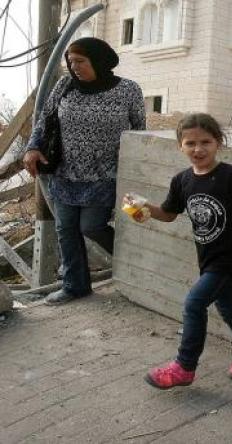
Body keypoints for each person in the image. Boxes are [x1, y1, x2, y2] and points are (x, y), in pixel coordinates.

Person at [128, 113, 232, 390]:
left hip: (230, 256)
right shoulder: (182, 180)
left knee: (194, 304)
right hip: (207, 257)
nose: (198, 149)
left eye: (206, 142)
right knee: (228, 306)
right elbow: (168, 214)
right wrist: (144, 209)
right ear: (180, 146)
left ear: (218, 142)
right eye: (190, 143)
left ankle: (184, 367)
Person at [22, 37, 146, 304]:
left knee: (91, 227)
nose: (74, 66)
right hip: (65, 173)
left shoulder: (128, 90)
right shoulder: (64, 86)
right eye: (70, 61)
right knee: (66, 229)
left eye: (80, 61)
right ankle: (75, 286)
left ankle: (140, 266)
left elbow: (139, 131)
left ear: (99, 61)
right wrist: (32, 148)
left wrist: (137, 171)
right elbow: (45, 120)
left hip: (105, 175)